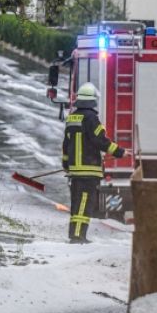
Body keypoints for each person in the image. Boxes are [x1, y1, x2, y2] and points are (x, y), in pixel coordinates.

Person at [61, 82, 125, 243]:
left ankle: (75, 233)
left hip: (75, 171)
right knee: (84, 203)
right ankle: (78, 236)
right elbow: (101, 141)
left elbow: (66, 145)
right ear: (92, 101)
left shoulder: (71, 118)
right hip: (88, 170)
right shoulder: (91, 118)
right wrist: (120, 152)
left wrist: (67, 164)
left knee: (77, 204)